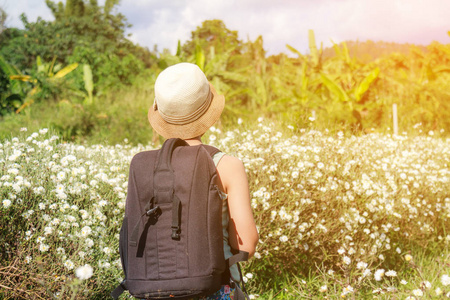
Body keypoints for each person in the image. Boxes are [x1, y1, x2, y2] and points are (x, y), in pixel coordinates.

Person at [148, 62, 259, 299]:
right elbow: (246, 246)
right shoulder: (227, 166)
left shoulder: (146, 167)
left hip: (156, 291)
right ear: (208, 110)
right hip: (214, 289)